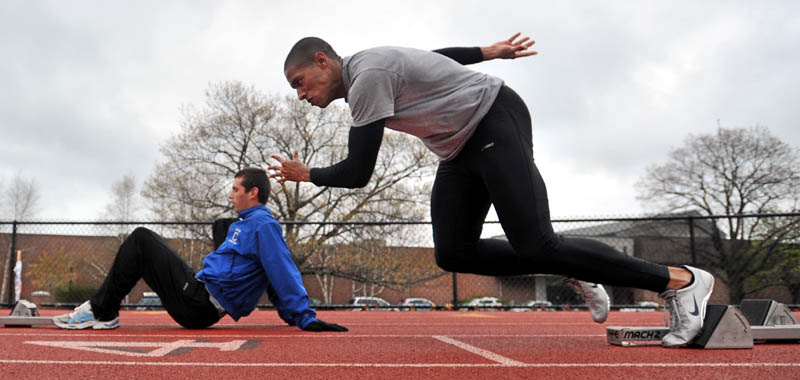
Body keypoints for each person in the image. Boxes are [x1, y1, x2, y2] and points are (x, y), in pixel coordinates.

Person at [270, 33, 714, 347]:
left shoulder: (367, 77)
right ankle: (574, 267)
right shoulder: (373, 70)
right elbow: (435, 57)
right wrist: (489, 50)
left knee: (537, 241)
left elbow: (358, 172)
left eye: (300, 82)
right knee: (454, 252)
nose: (301, 95)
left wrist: (308, 174)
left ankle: (680, 281)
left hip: (492, 117)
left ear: (323, 60)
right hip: (457, 147)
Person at [53, 168, 348, 332]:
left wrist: (302, 316)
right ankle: (103, 309)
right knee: (141, 249)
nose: (231, 194)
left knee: (141, 238)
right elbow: (267, 271)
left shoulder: (263, 225)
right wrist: (292, 316)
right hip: (196, 295)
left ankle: (101, 311)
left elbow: (280, 269)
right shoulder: (243, 225)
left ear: (252, 192)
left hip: (200, 304)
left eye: (236, 189)